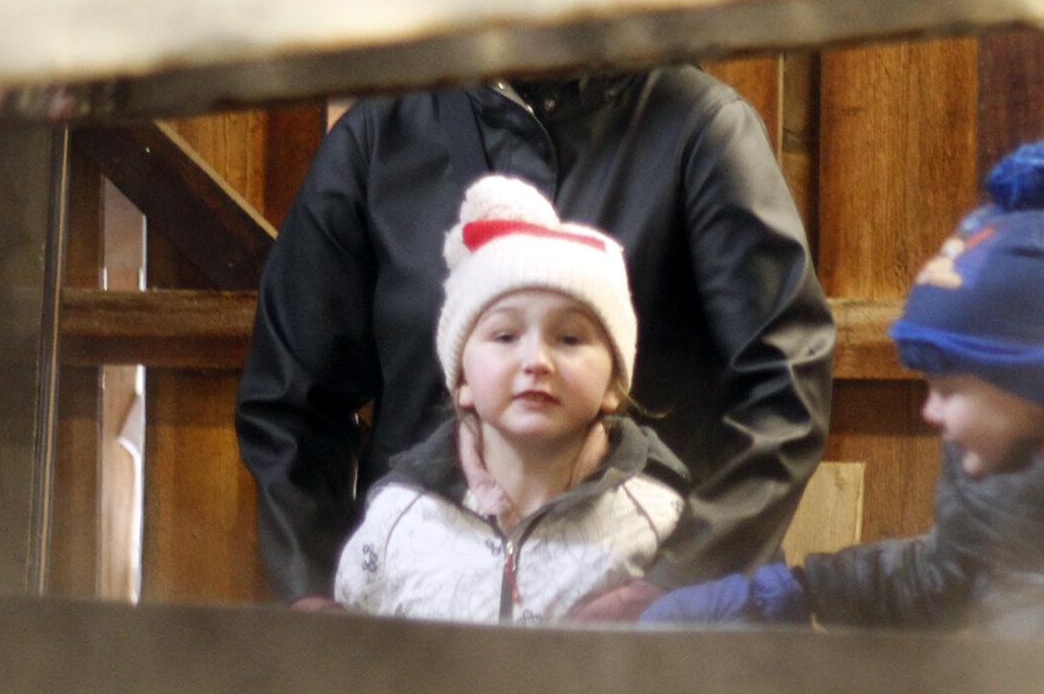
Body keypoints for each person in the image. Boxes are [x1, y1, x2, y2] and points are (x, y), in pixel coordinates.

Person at [238, 68, 834, 614]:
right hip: (418, 616)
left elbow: (785, 383)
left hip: (653, 614)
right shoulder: (377, 137)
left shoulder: (703, 126)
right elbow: (290, 400)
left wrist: (677, 582)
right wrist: (313, 592)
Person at [643, 147, 1044, 676]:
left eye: (951, 390)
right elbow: (946, 572)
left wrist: (1000, 664)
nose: (931, 413)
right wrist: (785, 594)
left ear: (1033, 386)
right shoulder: (1008, 455)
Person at [335, 177, 687, 623]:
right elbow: (351, 657)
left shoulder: (659, 521)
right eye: (505, 335)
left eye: (570, 338)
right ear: (461, 378)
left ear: (614, 386)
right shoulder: (397, 520)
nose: (537, 361)